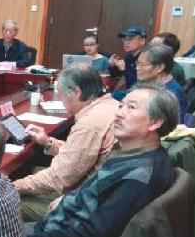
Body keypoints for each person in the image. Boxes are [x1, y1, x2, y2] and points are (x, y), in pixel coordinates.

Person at [26, 85, 177, 237]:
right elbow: (100, 189)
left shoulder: (139, 178)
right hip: (61, 222)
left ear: (156, 122)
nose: (119, 113)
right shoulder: (131, 152)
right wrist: (69, 198)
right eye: (121, 105)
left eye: (131, 108)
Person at [14, 63, 119, 221]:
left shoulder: (90, 123)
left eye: (60, 93)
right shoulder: (110, 105)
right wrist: (48, 142)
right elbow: (81, 154)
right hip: (98, 191)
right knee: (35, 171)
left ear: (76, 92)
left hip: (86, 204)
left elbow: (59, 178)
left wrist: (11, 187)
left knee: (6, 204)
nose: (61, 99)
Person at [131, 44, 188, 120]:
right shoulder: (147, 81)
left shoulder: (171, 95)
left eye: (142, 65)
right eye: (137, 63)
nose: (137, 68)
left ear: (160, 67)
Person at [108, 26, 147, 90]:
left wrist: (124, 69)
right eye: (125, 39)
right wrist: (112, 66)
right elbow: (116, 76)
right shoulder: (129, 57)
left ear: (142, 41)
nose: (126, 42)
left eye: (130, 39)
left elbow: (137, 85)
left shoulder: (146, 59)